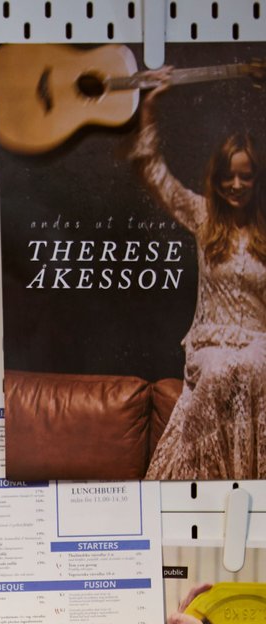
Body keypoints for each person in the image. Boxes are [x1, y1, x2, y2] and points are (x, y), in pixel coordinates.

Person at [133, 75, 266, 480]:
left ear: (257, 179)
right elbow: (154, 174)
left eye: (246, 176)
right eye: (229, 175)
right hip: (211, 343)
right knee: (221, 369)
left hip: (260, 344)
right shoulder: (203, 215)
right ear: (217, 177)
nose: (236, 185)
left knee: (256, 366)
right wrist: (149, 111)